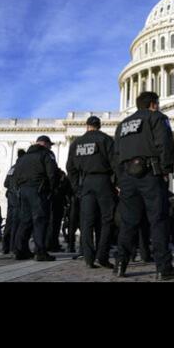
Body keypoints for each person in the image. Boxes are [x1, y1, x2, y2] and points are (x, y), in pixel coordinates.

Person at [112, 91, 174, 280]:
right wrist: (166, 171)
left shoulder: (123, 125)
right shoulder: (157, 118)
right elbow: (165, 145)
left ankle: (120, 264)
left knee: (128, 222)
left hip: (128, 176)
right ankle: (163, 268)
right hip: (151, 174)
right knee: (158, 220)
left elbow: (116, 155)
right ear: (153, 104)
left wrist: (120, 179)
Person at [66, 115, 118, 269]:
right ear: (99, 126)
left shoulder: (76, 143)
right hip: (103, 182)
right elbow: (115, 164)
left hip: (86, 183)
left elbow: (70, 167)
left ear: (87, 126)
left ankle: (88, 258)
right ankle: (102, 256)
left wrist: (77, 187)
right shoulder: (106, 140)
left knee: (86, 222)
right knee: (107, 220)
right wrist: (118, 183)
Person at [12, 136, 60, 261]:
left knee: (25, 221)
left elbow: (15, 176)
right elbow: (52, 173)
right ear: (44, 144)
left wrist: (19, 189)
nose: (50, 147)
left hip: (23, 190)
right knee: (40, 220)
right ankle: (40, 252)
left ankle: (20, 250)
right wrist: (52, 189)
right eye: (50, 144)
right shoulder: (46, 154)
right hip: (38, 190)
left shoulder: (23, 157)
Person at [1, 149, 25, 255]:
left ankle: (5, 247)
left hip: (10, 196)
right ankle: (14, 247)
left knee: (9, 222)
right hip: (18, 196)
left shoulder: (12, 168)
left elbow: (5, 183)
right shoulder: (23, 167)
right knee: (17, 221)